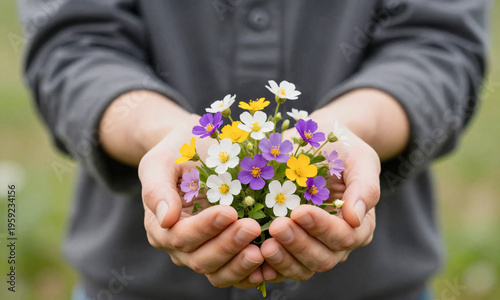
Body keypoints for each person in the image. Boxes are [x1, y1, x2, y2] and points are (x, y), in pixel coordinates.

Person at [20, 0, 488, 299]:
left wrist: (346, 129)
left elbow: (438, 45)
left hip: (375, 288)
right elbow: (72, 45)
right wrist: (159, 132)